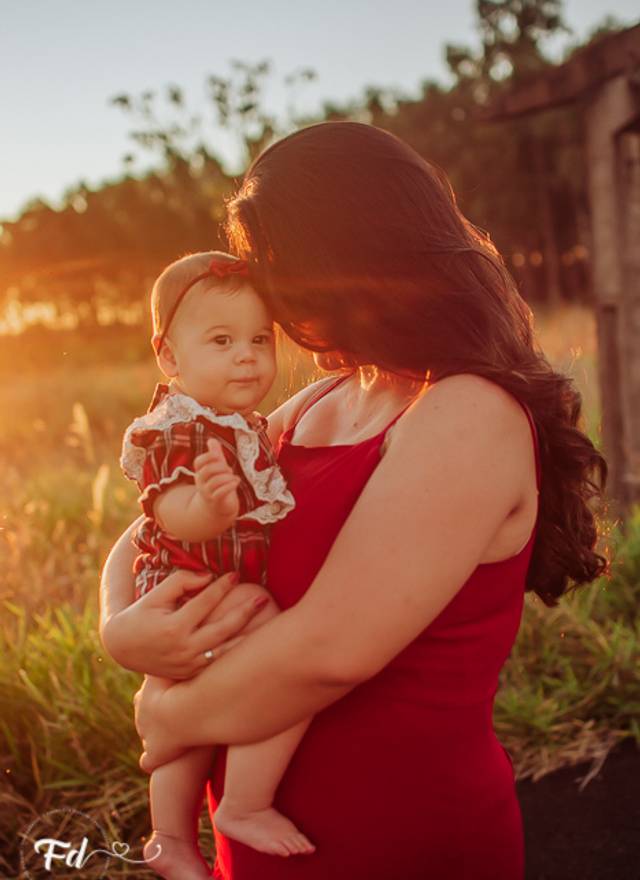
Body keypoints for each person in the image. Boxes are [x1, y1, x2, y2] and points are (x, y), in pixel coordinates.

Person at [100, 121, 608, 880]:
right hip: (262, 841)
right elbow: (145, 524)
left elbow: (330, 652)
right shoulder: (321, 402)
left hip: (397, 836)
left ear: (347, 258)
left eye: (279, 264)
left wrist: (165, 714)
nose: (270, 294)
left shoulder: (466, 412)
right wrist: (123, 632)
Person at [118, 250, 318, 880]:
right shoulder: (176, 429)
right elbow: (169, 514)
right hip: (188, 586)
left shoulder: (244, 424)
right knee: (285, 657)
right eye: (223, 340)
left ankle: (170, 838)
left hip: (208, 586)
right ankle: (239, 806)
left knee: (193, 715)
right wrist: (209, 504)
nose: (247, 356)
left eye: (261, 339)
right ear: (170, 357)